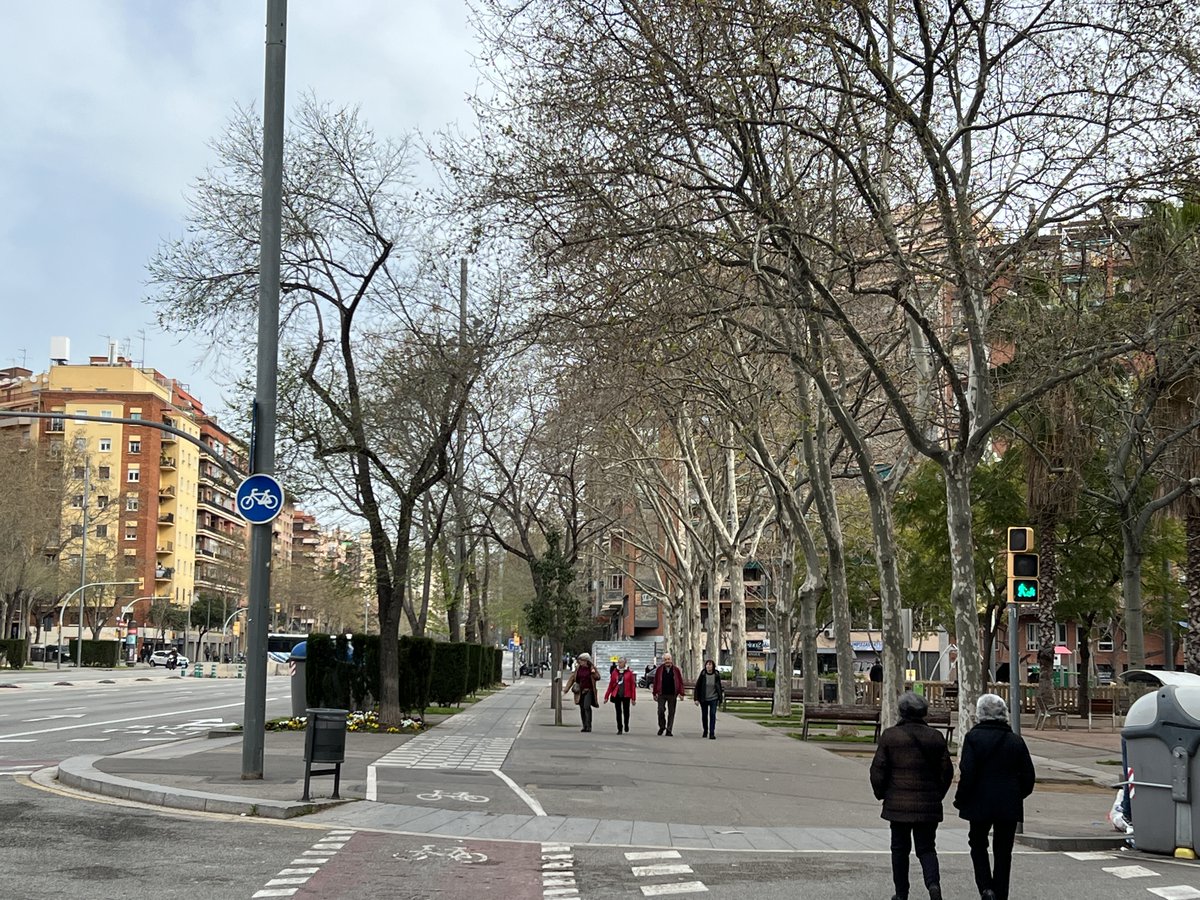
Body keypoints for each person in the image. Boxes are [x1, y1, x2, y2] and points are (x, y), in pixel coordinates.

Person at [870, 691, 953, 900]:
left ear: (901, 711)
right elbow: (946, 772)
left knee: (899, 849)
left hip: (898, 805)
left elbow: (878, 770)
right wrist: (936, 795)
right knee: (927, 848)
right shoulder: (935, 737)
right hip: (928, 804)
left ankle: (901, 893)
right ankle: (933, 885)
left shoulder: (890, 736)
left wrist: (882, 794)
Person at [955, 693, 1036, 900]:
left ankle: (985, 887)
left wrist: (961, 798)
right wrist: (1017, 794)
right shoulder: (1015, 741)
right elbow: (1028, 776)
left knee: (978, 843)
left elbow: (968, 772)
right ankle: (1000, 893)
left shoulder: (973, 738)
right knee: (1003, 851)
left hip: (979, 802)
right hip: (1008, 803)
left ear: (980, 714)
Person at [562, 652, 600, 732]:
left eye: (582, 660)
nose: (580, 662)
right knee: (582, 708)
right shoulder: (578, 668)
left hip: (588, 690)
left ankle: (589, 726)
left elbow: (598, 677)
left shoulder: (591, 668)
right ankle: (584, 725)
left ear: (586, 661)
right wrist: (566, 689)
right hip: (579, 691)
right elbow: (572, 678)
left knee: (586, 706)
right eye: (580, 660)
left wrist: (593, 673)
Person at [652, 652, 684, 736]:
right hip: (661, 694)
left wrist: (681, 693)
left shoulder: (676, 670)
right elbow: (656, 681)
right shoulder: (659, 669)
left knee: (671, 712)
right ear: (663, 660)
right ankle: (662, 726)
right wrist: (654, 693)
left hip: (672, 694)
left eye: (668, 659)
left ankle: (669, 730)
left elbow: (680, 682)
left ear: (671, 660)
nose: (667, 661)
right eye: (665, 660)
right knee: (660, 711)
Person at [604, 656, 637, 734]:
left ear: (625, 663)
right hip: (617, 694)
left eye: (621, 662)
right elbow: (611, 685)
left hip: (626, 695)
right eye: (618, 662)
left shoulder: (629, 672)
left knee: (626, 712)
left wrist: (633, 698)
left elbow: (632, 686)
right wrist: (606, 696)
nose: (619, 664)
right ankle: (619, 728)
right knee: (618, 712)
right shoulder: (615, 672)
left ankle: (626, 724)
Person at [693, 658, 724, 739]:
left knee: (712, 714)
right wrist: (696, 698)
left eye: (710, 664)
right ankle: (705, 730)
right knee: (704, 715)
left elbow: (719, 687)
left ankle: (712, 733)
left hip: (713, 698)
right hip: (704, 698)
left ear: (713, 666)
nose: (708, 666)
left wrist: (720, 699)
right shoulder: (703, 674)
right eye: (707, 664)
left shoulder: (716, 674)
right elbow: (698, 686)